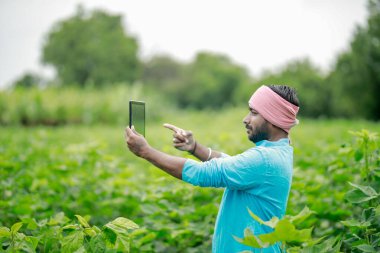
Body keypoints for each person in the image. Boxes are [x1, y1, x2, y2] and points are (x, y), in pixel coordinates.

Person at [125, 85, 300, 253]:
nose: (246, 119)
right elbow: (232, 165)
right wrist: (194, 148)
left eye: (254, 113)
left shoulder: (265, 158)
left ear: (274, 118)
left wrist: (146, 152)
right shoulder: (279, 152)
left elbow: (205, 173)